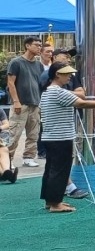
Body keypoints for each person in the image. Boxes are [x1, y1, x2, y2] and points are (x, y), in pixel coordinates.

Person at [38, 63, 95, 213]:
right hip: (61, 138)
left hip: (50, 137)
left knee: (51, 169)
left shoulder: (47, 92)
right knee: (60, 170)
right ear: (57, 74)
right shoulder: (59, 92)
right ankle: (55, 204)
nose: (70, 77)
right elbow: (82, 103)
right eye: (66, 74)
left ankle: (51, 201)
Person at [7, 37, 46, 169]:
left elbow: (42, 84)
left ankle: (28, 157)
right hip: (20, 104)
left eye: (40, 45)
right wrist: (16, 101)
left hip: (35, 104)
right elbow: (10, 83)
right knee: (14, 133)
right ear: (27, 46)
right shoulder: (16, 62)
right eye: (36, 45)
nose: (39, 47)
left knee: (33, 134)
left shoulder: (39, 65)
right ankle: (7, 159)